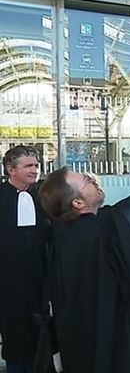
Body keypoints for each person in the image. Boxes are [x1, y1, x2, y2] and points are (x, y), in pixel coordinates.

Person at [38, 113, 130, 373]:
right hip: (118, 341)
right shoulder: (104, 227)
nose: (93, 180)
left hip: (83, 347)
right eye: (86, 181)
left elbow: (116, 251)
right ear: (77, 203)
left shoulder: (64, 236)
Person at [0, 146, 51, 373]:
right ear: (11, 170)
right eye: (28, 166)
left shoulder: (46, 197)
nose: (34, 170)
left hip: (43, 281)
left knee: (45, 337)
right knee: (16, 339)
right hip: (9, 284)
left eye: (36, 166)